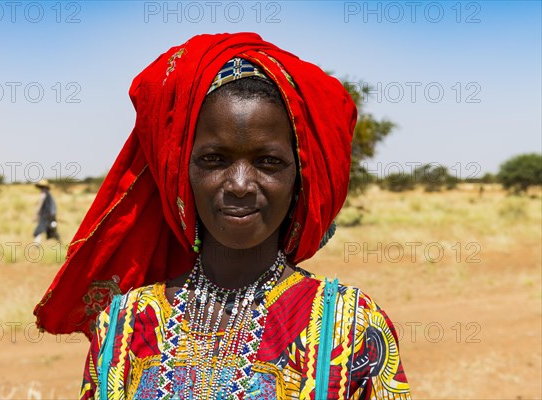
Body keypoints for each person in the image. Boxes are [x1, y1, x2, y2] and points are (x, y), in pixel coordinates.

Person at [34, 33, 410, 399]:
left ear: (300, 179)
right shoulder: (124, 324)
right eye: (214, 160)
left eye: (269, 162)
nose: (241, 184)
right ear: (182, 175)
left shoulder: (349, 327)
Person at [33, 179, 60, 244]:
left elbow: (40, 204)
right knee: (51, 228)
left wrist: (36, 214)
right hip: (50, 214)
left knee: (40, 228)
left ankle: (36, 243)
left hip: (46, 215)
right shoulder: (48, 193)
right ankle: (57, 241)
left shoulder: (44, 193)